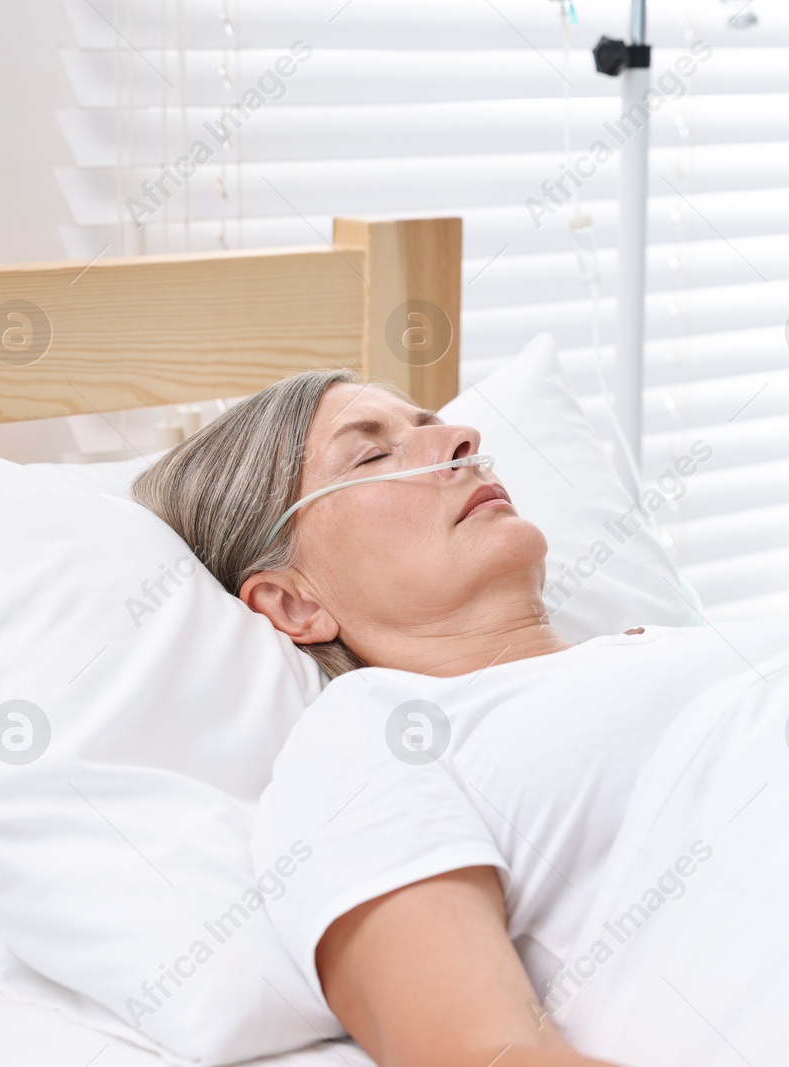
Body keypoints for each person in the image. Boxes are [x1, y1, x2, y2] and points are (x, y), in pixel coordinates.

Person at [135, 370, 652, 1067]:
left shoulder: (664, 651)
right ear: (292, 603)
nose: (462, 438)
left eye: (429, 422)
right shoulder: (375, 737)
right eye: (372, 455)